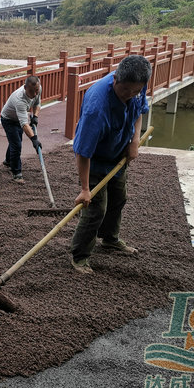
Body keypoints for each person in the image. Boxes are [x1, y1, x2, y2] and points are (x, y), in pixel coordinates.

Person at [69, 55, 151, 274]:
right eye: (125, 91)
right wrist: (85, 189)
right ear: (115, 79)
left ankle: (110, 239)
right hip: (95, 159)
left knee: (118, 198)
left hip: (118, 154)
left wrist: (134, 141)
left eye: (135, 91)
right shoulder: (97, 108)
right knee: (95, 209)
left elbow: (139, 113)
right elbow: (82, 152)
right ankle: (80, 256)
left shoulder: (137, 88)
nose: (130, 96)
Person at [0, 75, 42, 184]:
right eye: (31, 91)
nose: (34, 94)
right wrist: (34, 139)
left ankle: (8, 161)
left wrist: (36, 116)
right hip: (8, 119)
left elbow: (37, 103)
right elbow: (24, 124)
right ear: (25, 87)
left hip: (19, 118)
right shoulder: (19, 100)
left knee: (15, 140)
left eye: (36, 90)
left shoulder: (38, 89)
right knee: (17, 144)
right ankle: (16, 173)